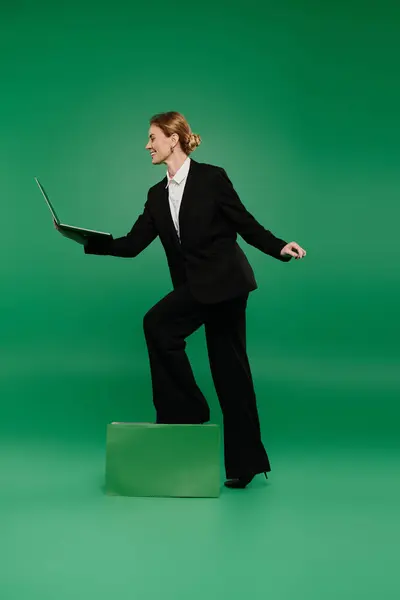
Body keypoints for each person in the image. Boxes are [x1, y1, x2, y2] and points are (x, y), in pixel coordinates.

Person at [55, 111, 307, 489]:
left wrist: (279, 247)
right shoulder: (157, 196)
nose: (147, 145)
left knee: (230, 372)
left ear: (173, 139)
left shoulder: (212, 178)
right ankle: (187, 409)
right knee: (159, 326)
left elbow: (244, 222)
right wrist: (87, 241)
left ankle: (246, 464)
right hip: (195, 288)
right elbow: (133, 244)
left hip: (226, 285)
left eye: (152, 137)